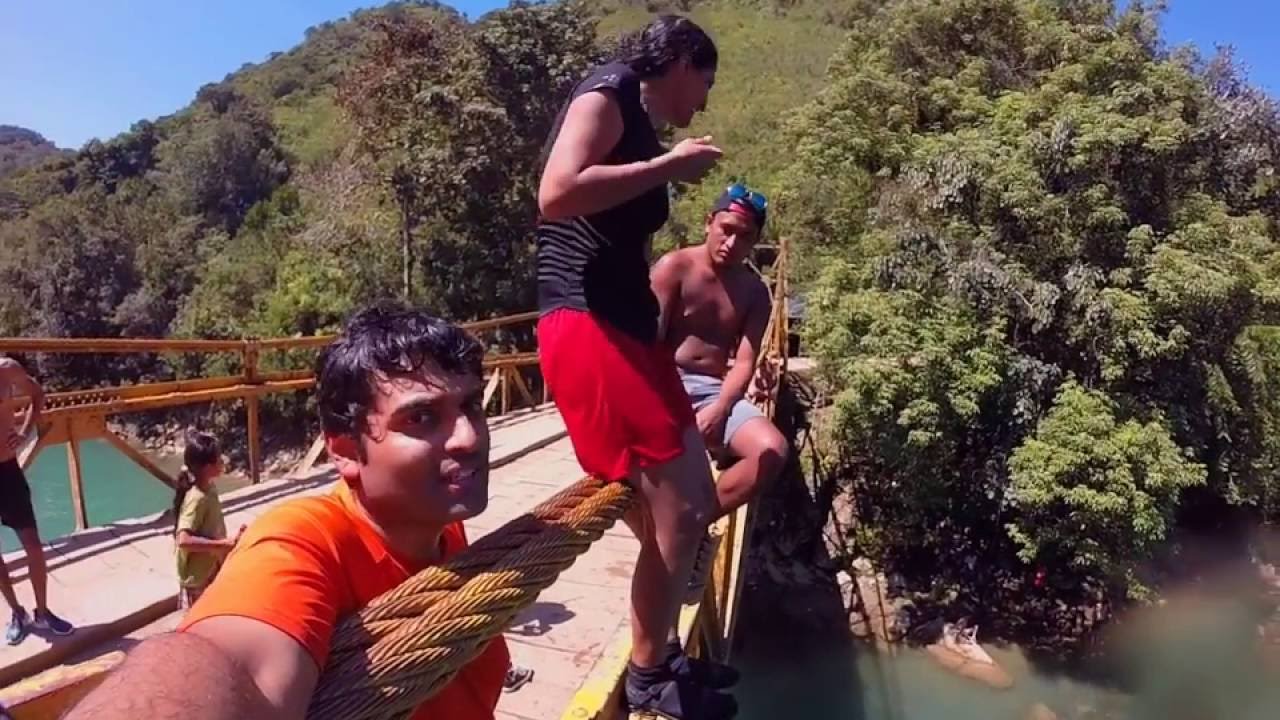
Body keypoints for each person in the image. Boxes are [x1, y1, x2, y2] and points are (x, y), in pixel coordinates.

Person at [64, 304, 509, 720]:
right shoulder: (301, 540)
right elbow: (224, 662)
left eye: (470, 405)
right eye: (421, 418)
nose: (469, 438)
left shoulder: (439, 522)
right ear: (345, 451)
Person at [535, 13, 736, 719]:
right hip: (585, 326)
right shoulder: (610, 88)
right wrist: (668, 168)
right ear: (679, 61)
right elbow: (556, 194)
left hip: (629, 331)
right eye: (703, 82)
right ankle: (652, 670)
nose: (703, 101)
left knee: (695, 504)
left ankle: (668, 654)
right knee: (679, 513)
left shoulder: (640, 121)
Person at [650, 184, 789, 518]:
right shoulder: (675, 267)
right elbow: (647, 343)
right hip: (664, 383)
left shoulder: (755, 292)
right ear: (708, 223)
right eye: (726, 230)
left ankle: (698, 518)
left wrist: (722, 409)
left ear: (754, 241)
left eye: (744, 236)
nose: (731, 243)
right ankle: (672, 522)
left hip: (714, 391)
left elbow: (745, 361)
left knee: (773, 451)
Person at [0, 355, 74, 645]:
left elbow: (37, 395)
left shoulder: (7, 369)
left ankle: (42, 612)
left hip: (7, 471)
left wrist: (24, 432)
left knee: (33, 547)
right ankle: (17, 613)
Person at [172, 430, 244, 610]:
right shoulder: (197, 499)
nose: (223, 460)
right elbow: (183, 540)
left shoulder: (210, 489)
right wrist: (222, 544)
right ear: (206, 467)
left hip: (210, 568)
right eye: (218, 458)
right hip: (197, 579)